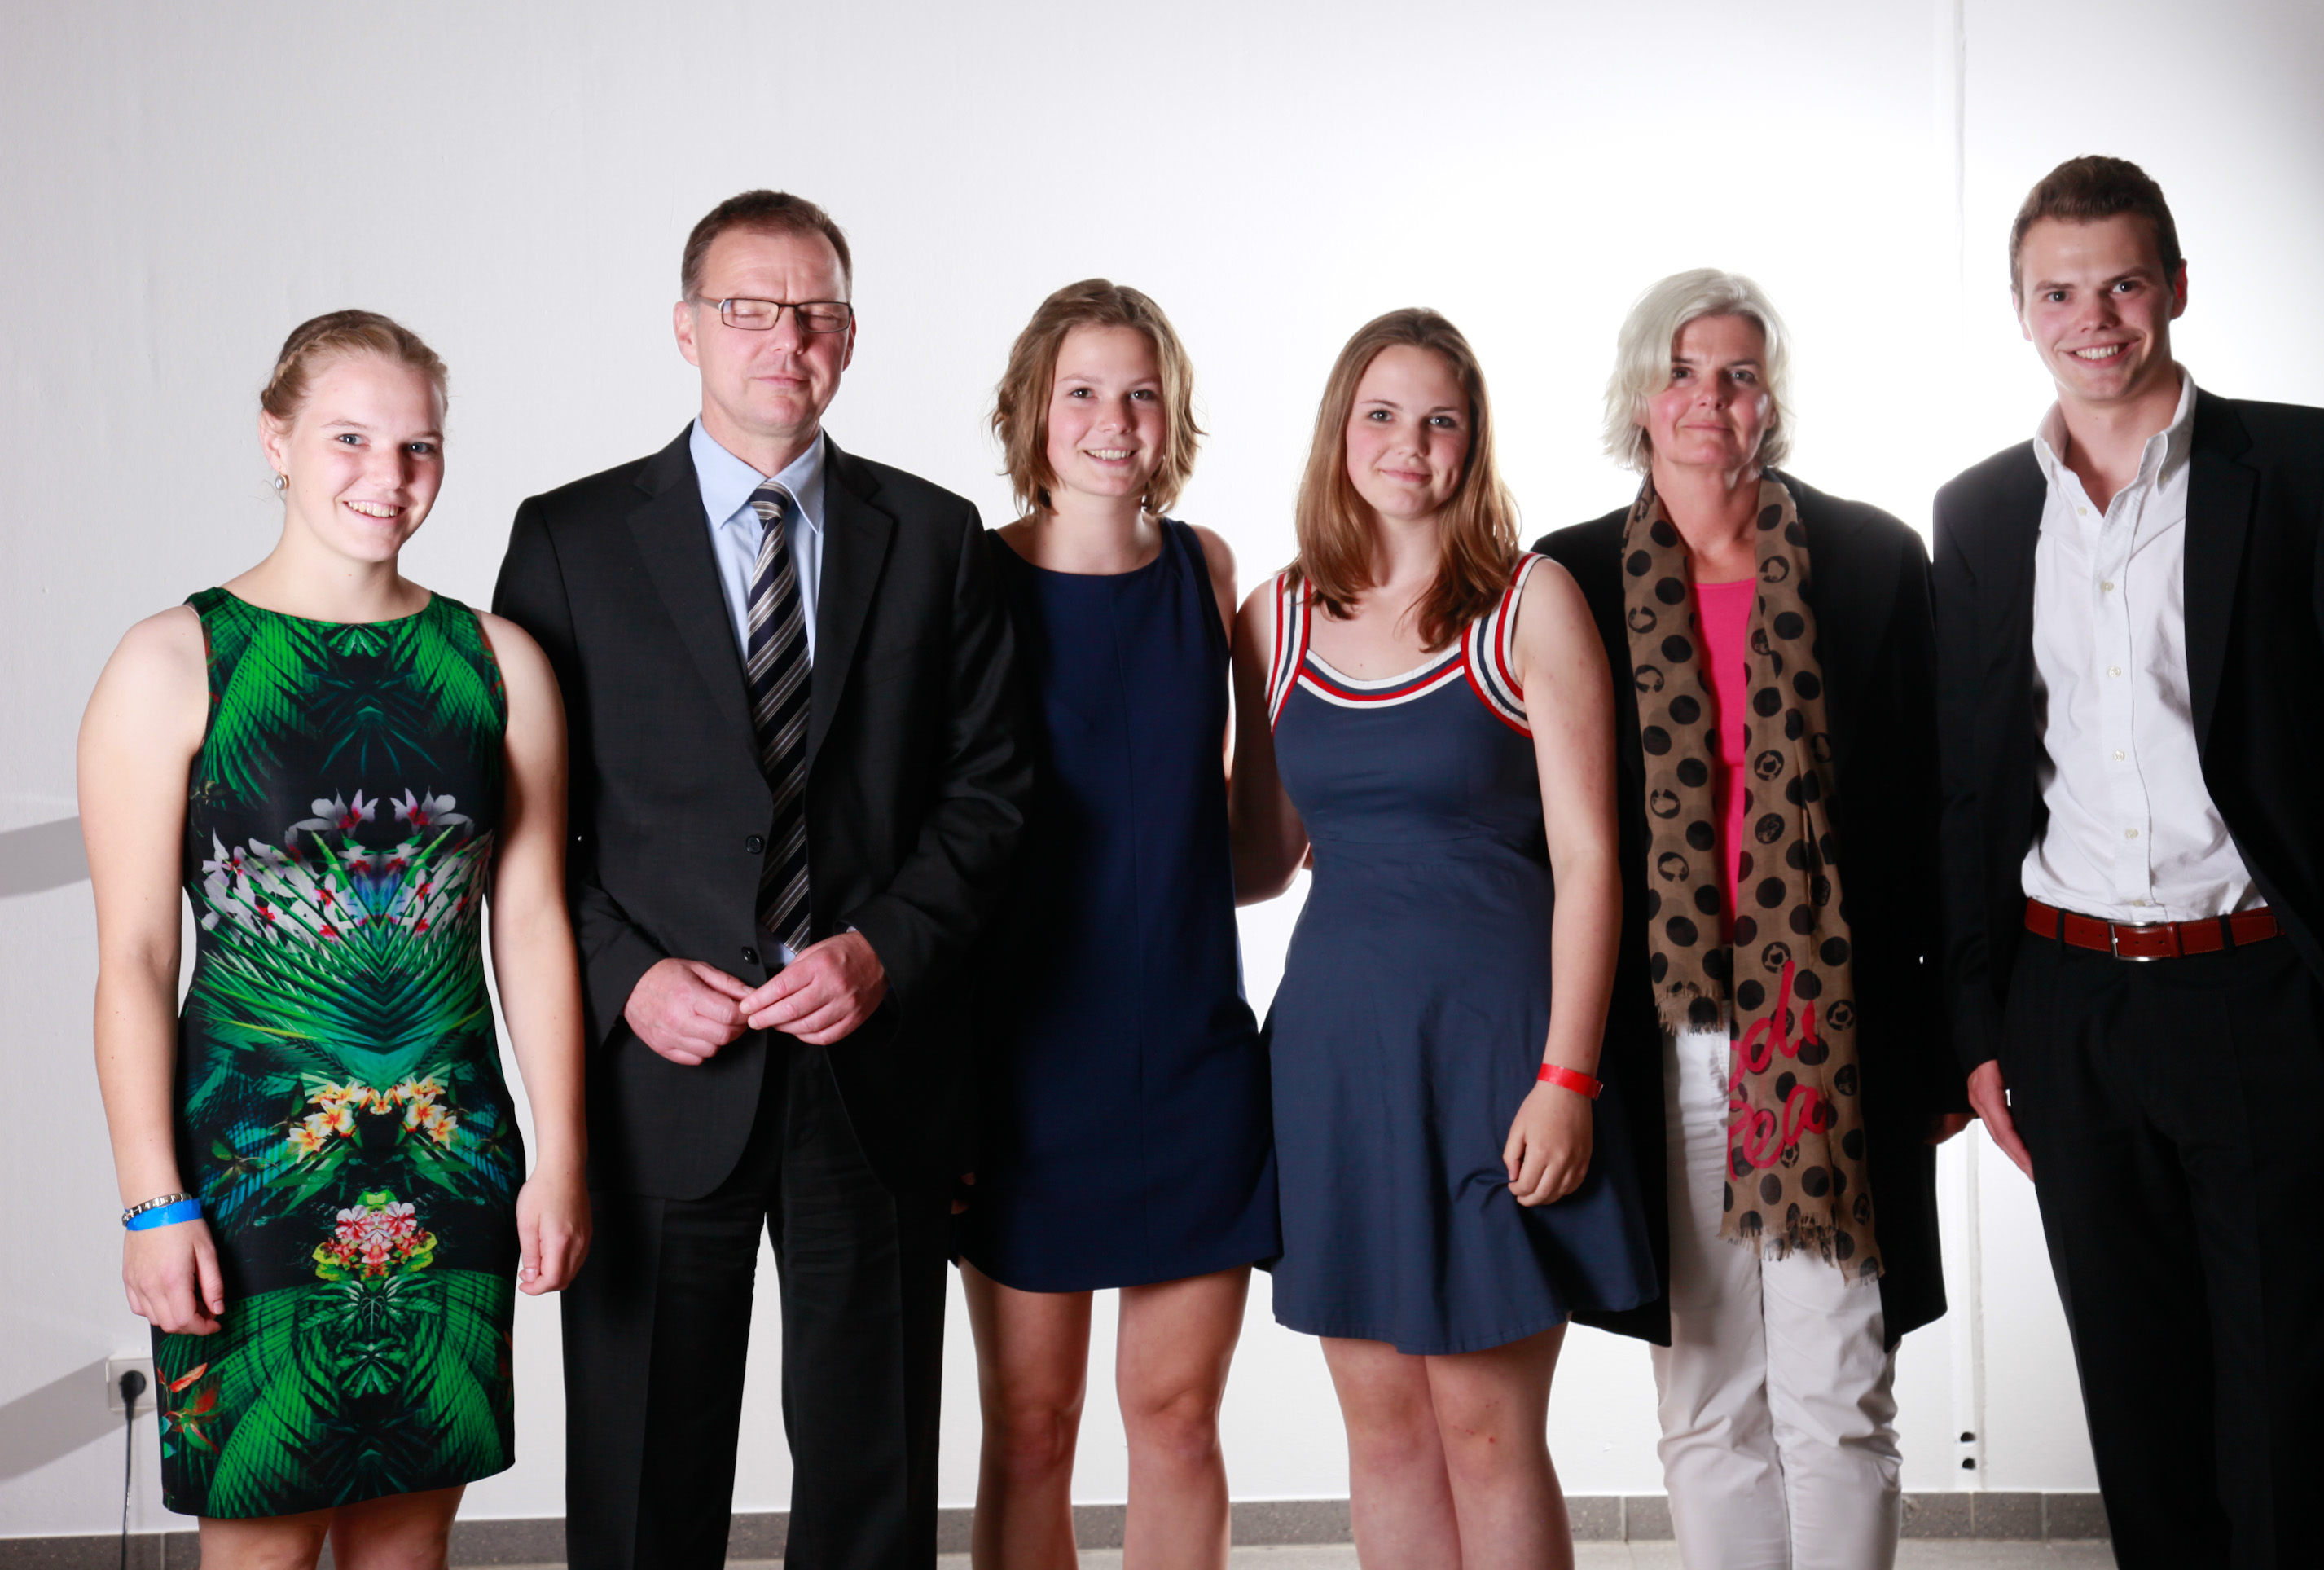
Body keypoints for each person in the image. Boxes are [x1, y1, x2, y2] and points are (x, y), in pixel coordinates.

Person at [492, 190, 1029, 1570]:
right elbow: (525, 826)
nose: (786, 338)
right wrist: (626, 979)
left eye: (817, 313)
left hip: (874, 1077)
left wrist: (883, 949)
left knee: (872, 1489)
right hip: (658, 1079)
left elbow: (990, 795)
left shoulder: (936, 535)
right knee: (642, 1486)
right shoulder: (569, 540)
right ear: (687, 328)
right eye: (749, 309)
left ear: (848, 335)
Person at [1935, 156, 2324, 1569]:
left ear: (2174, 287)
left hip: (2266, 1000)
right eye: (2059, 293)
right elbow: (1971, 789)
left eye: (2121, 284)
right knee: (2142, 1424)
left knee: (2289, 1426)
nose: (2092, 320)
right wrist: (1978, 1028)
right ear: (2021, 309)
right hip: (2071, 1009)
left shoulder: (2310, 469)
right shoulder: (1979, 514)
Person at [81, 311, 591, 1568]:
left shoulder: (497, 662)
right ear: (277, 442)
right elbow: (136, 958)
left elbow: (531, 923)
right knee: (258, 1541)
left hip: (451, 1156)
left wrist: (562, 1157)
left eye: (418, 446)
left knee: (410, 1542)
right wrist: (152, 1201)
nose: (388, 475)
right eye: (350, 439)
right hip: (252, 1168)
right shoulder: (175, 660)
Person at [1533, 270, 1967, 1568]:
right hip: (1660, 1037)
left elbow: (1937, 814)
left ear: (1770, 398)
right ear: (1638, 395)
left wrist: (1947, 1041)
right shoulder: (1567, 578)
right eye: (1681, 371)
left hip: (1827, 1033)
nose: (1707, 398)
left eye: (1736, 372)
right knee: (1707, 1398)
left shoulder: (1875, 561)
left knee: (1840, 1395)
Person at [1231, 308, 1655, 1570]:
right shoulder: (1274, 615)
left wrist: (1568, 1076)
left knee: (1484, 1429)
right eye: (1382, 414)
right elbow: (1262, 858)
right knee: (1384, 1433)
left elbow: (1592, 860)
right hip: (1335, 1061)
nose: (1408, 443)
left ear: (1473, 442)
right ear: (1339, 429)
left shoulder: (1530, 601)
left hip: (1495, 1056)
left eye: (1440, 420)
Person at [957, 280, 1277, 1570]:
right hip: (1024, 1069)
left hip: (1193, 1057)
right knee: (1032, 1429)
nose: (1113, 420)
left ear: (1174, 412)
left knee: (1179, 1420)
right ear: (1033, 410)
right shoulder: (971, 576)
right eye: (1082, 391)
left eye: (1141, 392)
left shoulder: (1208, 570)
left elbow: (1249, 845)